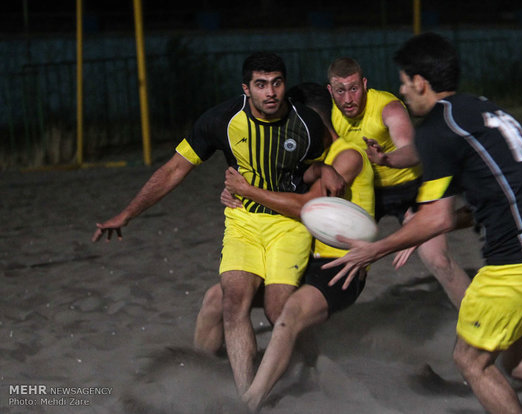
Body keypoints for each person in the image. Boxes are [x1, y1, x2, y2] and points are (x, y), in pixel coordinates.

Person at [324, 33, 522, 413]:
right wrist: (427, 224)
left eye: (403, 81)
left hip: (517, 267)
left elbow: (437, 215)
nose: (401, 89)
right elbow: (495, 195)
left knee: (470, 362)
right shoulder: (485, 110)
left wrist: (377, 249)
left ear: (420, 82)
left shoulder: (436, 128)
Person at [91, 52, 345, 395]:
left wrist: (324, 169)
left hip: (288, 224)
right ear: (246, 89)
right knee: (231, 301)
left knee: (277, 309)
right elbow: (173, 169)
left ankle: (314, 366)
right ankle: (247, 396)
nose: (270, 92)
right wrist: (127, 214)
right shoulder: (220, 120)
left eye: (276, 83)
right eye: (260, 84)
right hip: (242, 221)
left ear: (285, 84)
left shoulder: (308, 124)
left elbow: (310, 170)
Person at [215, 82, 375, 412]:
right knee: (216, 300)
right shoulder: (304, 158)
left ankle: (251, 402)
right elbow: (269, 194)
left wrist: (249, 191)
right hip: (302, 258)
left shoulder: (346, 155)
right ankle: (203, 371)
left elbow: (305, 207)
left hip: (339, 266)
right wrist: (235, 195)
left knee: (285, 313)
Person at [327, 57, 470, 308]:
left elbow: (412, 150)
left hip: (411, 188)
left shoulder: (388, 107)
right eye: (340, 90)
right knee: (340, 260)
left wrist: (386, 159)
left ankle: (479, 321)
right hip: (371, 193)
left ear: (364, 84)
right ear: (330, 91)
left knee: (436, 259)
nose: (348, 99)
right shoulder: (332, 114)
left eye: (354, 88)